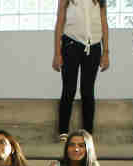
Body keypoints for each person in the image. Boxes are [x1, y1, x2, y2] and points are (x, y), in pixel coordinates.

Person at [54, 0, 109, 138]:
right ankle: (63, 131)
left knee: (88, 90)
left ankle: (88, 133)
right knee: (69, 88)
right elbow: (60, 19)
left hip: (94, 45)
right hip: (71, 43)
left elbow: (104, 20)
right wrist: (57, 53)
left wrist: (106, 52)